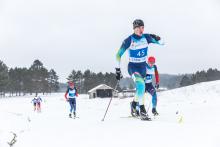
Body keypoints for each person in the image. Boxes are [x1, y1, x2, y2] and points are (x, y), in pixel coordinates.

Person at [116, 19, 163, 120]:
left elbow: (162, 43)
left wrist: (156, 38)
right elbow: (118, 55)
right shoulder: (129, 40)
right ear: (134, 29)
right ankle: (142, 110)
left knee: (140, 89)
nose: (140, 30)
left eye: (141, 27)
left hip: (143, 68)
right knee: (141, 85)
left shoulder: (146, 37)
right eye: (137, 28)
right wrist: (118, 69)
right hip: (133, 67)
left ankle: (133, 104)